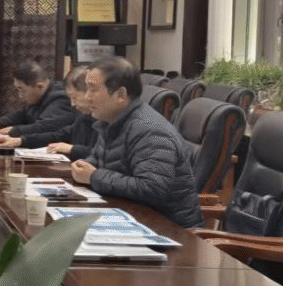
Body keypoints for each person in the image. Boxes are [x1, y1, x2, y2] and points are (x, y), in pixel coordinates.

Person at [69, 57, 203, 228]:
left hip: (166, 229)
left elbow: (152, 188)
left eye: (93, 90)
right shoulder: (111, 120)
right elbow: (99, 162)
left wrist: (94, 176)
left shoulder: (150, 131)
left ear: (120, 95)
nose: (87, 97)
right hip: (129, 216)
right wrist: (84, 166)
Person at [7, 65, 97, 161]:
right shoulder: (84, 117)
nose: (73, 104)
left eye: (74, 97)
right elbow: (59, 135)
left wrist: (72, 149)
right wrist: (21, 140)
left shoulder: (104, 119)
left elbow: (102, 155)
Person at [0, 61, 76, 142]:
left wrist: (12, 130)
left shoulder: (61, 97)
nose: (20, 96)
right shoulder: (39, 96)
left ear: (39, 86)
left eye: (22, 90)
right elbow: (23, 115)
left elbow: (43, 127)